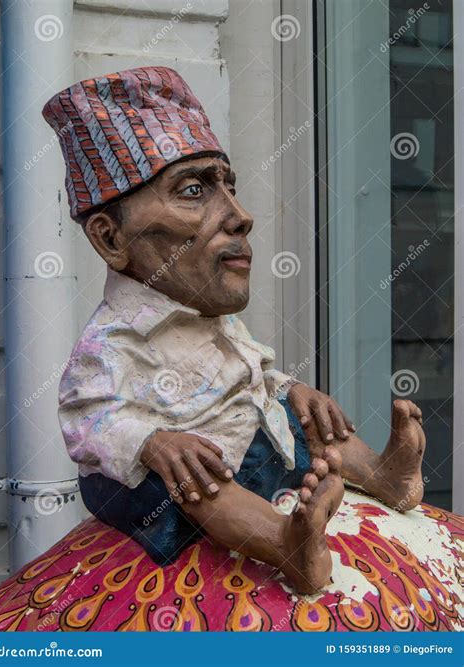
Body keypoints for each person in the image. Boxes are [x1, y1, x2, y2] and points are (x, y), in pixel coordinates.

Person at [43, 66, 426, 594]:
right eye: (194, 190)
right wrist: (153, 441)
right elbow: (89, 418)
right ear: (111, 238)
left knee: (306, 418)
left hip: (245, 445)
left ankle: (383, 475)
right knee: (194, 480)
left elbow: (253, 371)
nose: (241, 216)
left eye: (231, 188)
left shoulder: (214, 320)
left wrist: (293, 390)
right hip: (167, 485)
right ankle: (284, 544)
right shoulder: (113, 341)